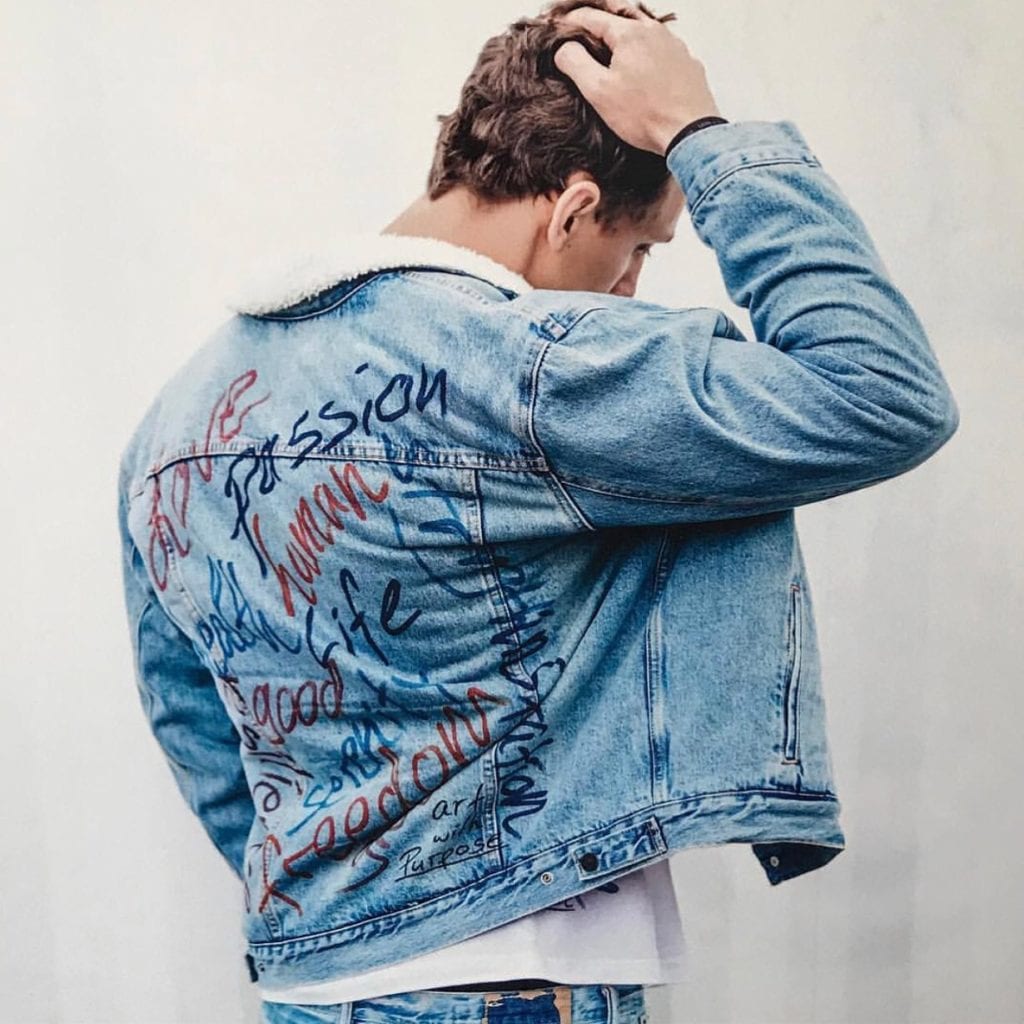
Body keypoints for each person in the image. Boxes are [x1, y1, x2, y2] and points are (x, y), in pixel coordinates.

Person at [116, 2, 960, 1022]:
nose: (630, 287)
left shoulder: (179, 417)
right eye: (639, 246)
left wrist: (349, 905)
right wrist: (700, 133)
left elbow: (191, 717)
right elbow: (881, 391)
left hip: (315, 985)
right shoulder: (533, 368)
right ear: (571, 210)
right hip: (505, 982)